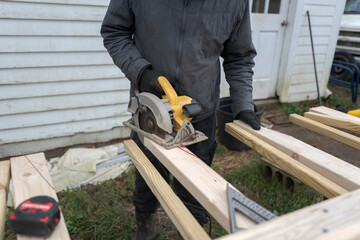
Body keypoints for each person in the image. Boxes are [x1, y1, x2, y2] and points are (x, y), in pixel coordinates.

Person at [101, 0, 260, 239]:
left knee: (195, 189)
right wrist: (141, 71)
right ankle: (145, 230)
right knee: (148, 179)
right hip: (151, 111)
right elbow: (114, 31)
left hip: (201, 112)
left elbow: (239, 56)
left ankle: (190, 232)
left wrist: (243, 104)